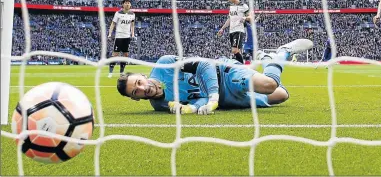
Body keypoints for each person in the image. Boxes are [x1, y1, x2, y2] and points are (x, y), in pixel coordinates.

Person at [116, 39, 313, 114]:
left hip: (224, 74)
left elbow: (204, 64)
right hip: (226, 100)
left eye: (139, 82)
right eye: (136, 91)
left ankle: (280, 54)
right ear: (135, 98)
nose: (142, 88)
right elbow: (195, 98)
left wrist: (212, 98)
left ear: (142, 75)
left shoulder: (166, 63)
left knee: (269, 84)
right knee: (282, 95)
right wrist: (193, 107)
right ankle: (268, 60)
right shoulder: (159, 106)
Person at [217, 0, 252, 64]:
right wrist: (222, 28)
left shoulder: (244, 6)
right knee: (237, 51)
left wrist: (245, 18)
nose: (228, 0)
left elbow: (250, 17)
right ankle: (240, 67)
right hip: (231, 31)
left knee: (234, 50)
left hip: (238, 30)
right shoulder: (232, 7)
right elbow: (229, 19)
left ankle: (242, 67)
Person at [107, 0, 136, 78]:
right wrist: (110, 33)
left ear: (130, 4)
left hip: (127, 37)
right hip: (119, 36)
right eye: (126, 3)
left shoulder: (132, 14)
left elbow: (132, 25)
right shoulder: (118, 13)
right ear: (123, 4)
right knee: (115, 54)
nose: (127, 4)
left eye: (128, 3)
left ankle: (121, 72)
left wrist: (132, 34)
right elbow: (113, 24)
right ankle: (110, 72)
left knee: (126, 55)